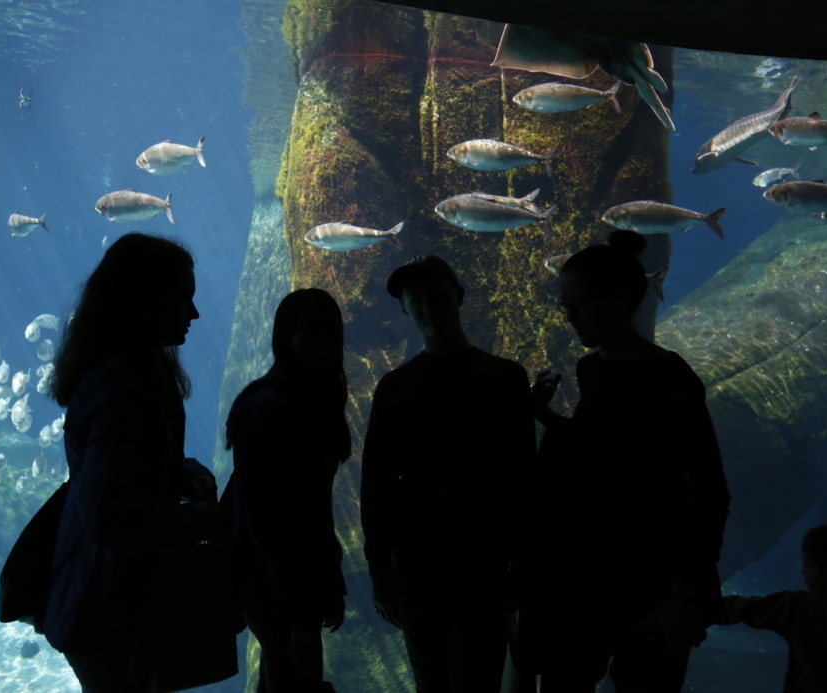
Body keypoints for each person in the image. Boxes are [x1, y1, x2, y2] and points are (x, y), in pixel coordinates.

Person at [523, 229, 731, 692]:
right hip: (587, 579)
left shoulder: (669, 376)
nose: (569, 315)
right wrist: (547, 418)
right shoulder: (593, 369)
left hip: (651, 583)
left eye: (579, 302)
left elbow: (707, 488)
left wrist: (686, 590)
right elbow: (603, 451)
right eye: (566, 303)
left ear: (619, 299)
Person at [43, 233, 221, 692]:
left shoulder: (133, 374)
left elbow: (126, 466)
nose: (193, 313)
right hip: (105, 606)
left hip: (112, 601)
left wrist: (179, 471)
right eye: (183, 299)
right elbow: (109, 515)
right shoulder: (118, 389)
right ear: (145, 301)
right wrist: (199, 521)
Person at [361, 255, 537, 692]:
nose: (426, 306)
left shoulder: (507, 379)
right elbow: (376, 486)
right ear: (404, 310)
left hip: (487, 565)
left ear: (457, 297)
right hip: (421, 570)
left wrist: (525, 565)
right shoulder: (393, 389)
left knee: (477, 679)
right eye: (415, 299)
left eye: (435, 295)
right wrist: (381, 571)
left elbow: (525, 481)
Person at [224, 288, 350, 692]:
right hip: (273, 576)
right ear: (285, 336)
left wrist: (328, 568)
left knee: (289, 672)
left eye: (328, 332)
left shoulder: (314, 401)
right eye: (309, 332)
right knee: (291, 668)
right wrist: (298, 603)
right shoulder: (266, 408)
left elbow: (314, 503)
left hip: (298, 569)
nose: (321, 343)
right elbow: (265, 519)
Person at [718, 521, 827, 692]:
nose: (802, 572)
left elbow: (746, 608)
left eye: (807, 566)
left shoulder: (801, 607)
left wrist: (701, 608)